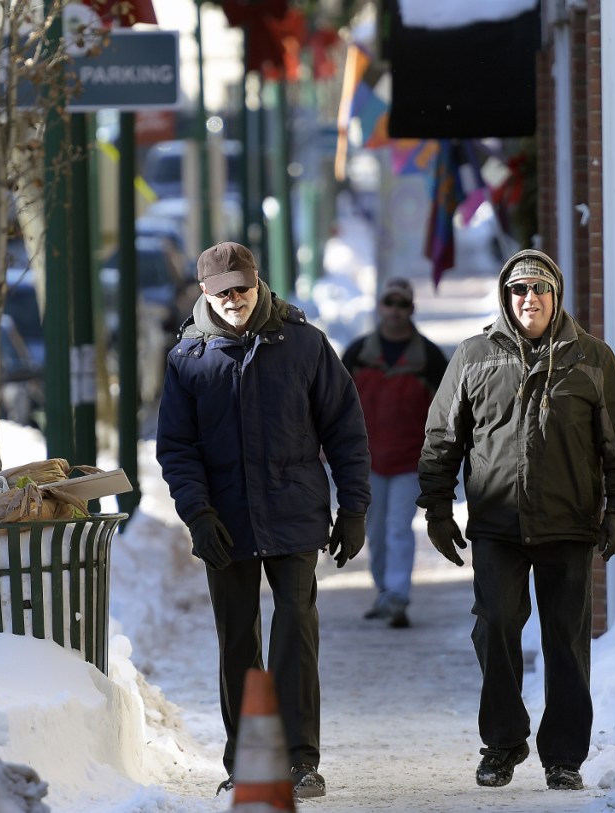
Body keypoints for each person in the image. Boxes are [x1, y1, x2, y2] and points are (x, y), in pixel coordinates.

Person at [417, 249, 615, 792]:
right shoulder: (473, 356)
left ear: (556, 296)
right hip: (498, 528)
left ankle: (564, 756)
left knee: (565, 641)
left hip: (568, 526)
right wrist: (438, 510)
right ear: (505, 296)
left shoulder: (592, 359)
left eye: (539, 289)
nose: (529, 299)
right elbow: (442, 440)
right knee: (494, 627)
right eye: (519, 290)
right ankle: (502, 741)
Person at [156, 241, 372, 799]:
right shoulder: (188, 359)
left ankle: (301, 760)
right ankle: (249, 759)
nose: (235, 299)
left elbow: (345, 429)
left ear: (259, 283)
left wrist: (353, 508)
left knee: (295, 630)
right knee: (238, 642)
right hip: (224, 521)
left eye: (243, 288)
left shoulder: (303, 344)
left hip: (294, 513)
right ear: (204, 292)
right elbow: (177, 448)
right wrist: (198, 515)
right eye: (223, 291)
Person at [340, 277, 448, 628]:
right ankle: (384, 590)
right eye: (390, 302)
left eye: (402, 304)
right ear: (380, 306)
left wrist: (442, 454)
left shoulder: (429, 358)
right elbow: (334, 403)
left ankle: (397, 595)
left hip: (409, 460)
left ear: (411, 309)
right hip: (366, 460)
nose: (395, 311)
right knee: (375, 528)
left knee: (399, 527)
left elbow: (447, 411)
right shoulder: (357, 354)